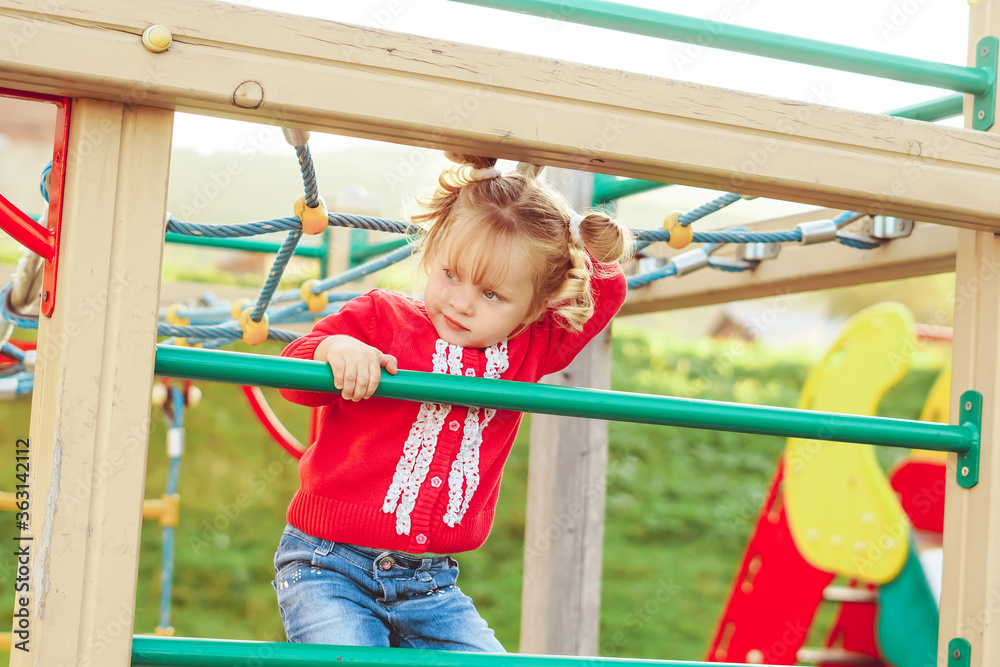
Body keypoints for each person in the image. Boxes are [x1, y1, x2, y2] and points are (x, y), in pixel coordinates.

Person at [273, 152, 633, 651]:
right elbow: (295, 377)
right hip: (328, 565)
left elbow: (607, 290)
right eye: (451, 275)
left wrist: (575, 232)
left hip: (430, 586)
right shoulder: (381, 317)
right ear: (433, 250)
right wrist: (336, 349)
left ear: (538, 305)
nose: (462, 301)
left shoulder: (530, 347)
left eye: (492, 295)